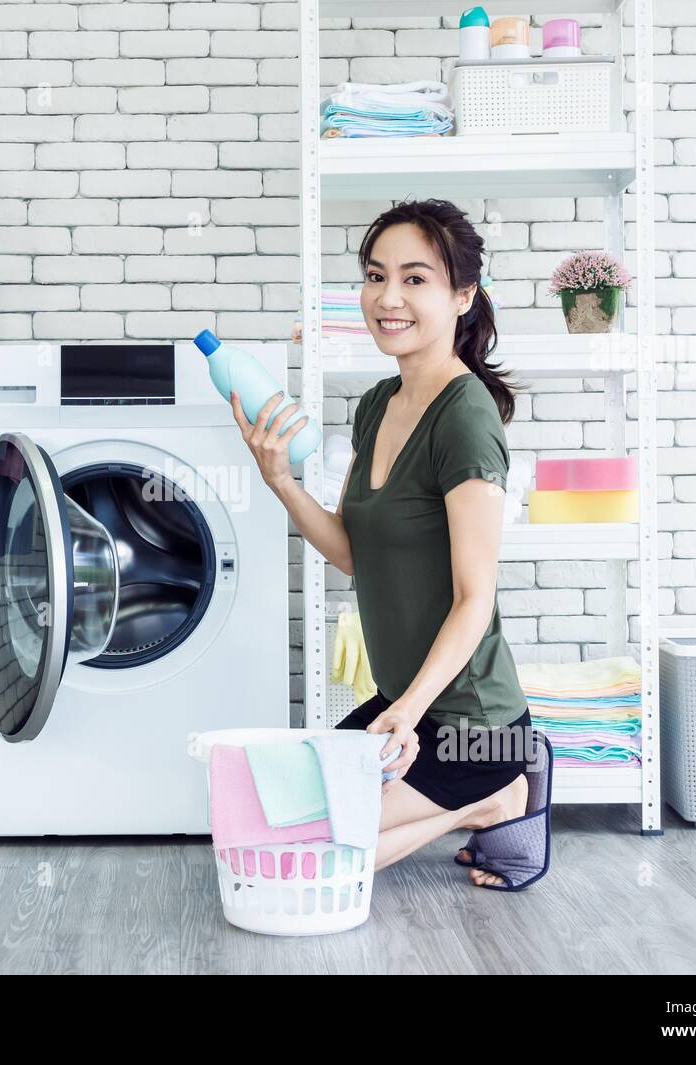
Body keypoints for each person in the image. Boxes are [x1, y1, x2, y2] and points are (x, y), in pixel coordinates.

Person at [232, 198, 538, 887]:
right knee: (267, 820)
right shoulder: (378, 402)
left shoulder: (465, 419)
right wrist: (281, 479)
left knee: (301, 862)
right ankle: (480, 802)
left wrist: (405, 709)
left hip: (473, 727)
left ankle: (496, 794)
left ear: (463, 296)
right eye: (375, 276)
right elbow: (351, 552)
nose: (388, 297)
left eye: (415, 279)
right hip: (410, 709)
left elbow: (473, 597)